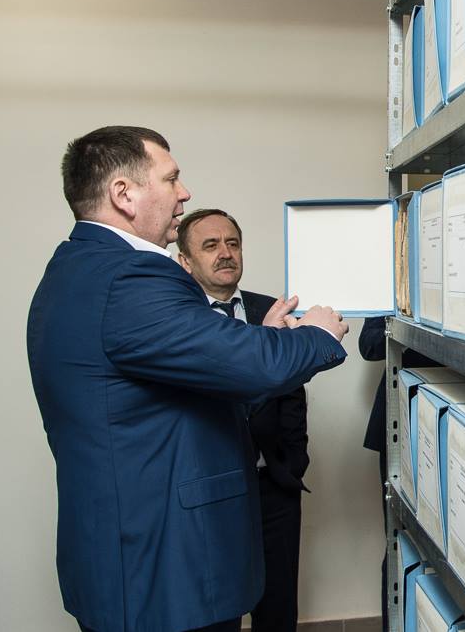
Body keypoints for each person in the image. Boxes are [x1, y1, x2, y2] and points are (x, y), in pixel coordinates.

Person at [27, 126, 349, 632]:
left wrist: (259, 342)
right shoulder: (129, 276)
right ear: (123, 194)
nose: (184, 192)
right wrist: (317, 334)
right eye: (170, 178)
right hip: (162, 565)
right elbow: (257, 365)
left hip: (129, 553)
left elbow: (185, 389)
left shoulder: (78, 265)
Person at [176, 208, 308, 632]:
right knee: (219, 609)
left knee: (279, 606)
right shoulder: (179, 320)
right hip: (212, 494)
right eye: (210, 245)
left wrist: (293, 464)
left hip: (273, 488)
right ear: (185, 261)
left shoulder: (270, 309)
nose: (225, 253)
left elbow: (292, 392)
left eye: (232, 243)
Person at [358, 317, 440, 628]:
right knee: (398, 541)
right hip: (398, 427)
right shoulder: (393, 288)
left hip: (458, 417)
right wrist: (409, 326)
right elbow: (369, 344)